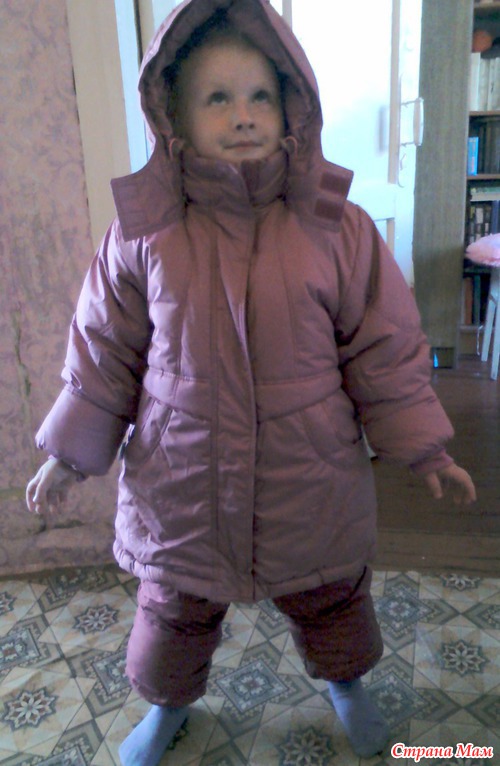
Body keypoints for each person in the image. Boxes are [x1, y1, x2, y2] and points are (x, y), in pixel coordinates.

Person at [26, 1, 476, 763]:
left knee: (331, 592)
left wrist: (424, 447)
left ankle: (346, 684)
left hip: (309, 465)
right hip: (182, 471)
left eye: (260, 95)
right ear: (173, 116)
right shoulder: (143, 232)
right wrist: (67, 455)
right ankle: (167, 704)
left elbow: (383, 347)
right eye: (217, 98)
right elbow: (104, 350)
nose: (243, 115)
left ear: (292, 106)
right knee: (173, 606)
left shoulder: (335, 225)